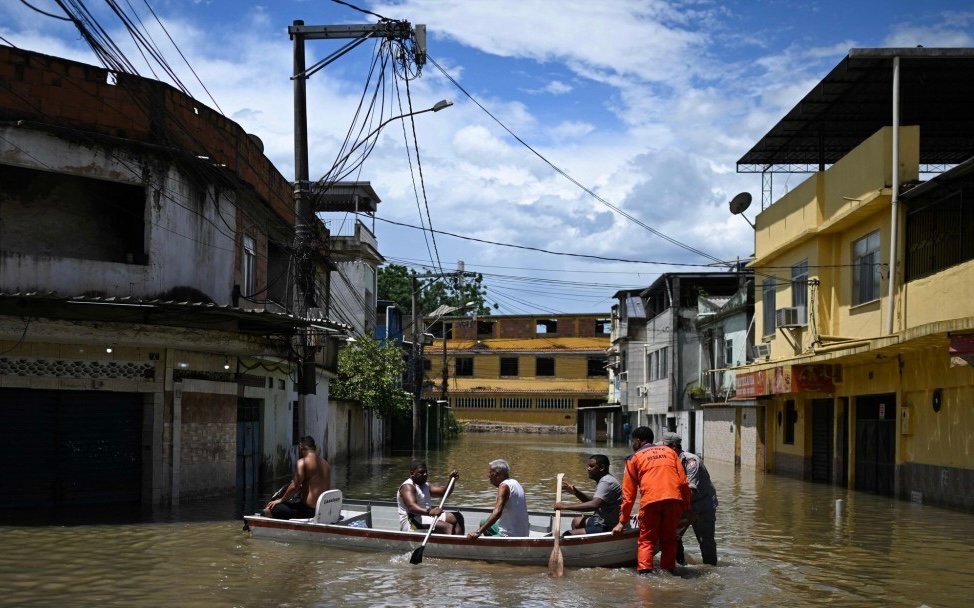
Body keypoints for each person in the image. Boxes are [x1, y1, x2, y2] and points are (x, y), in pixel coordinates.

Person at [612, 426, 691, 575]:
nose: (632, 444)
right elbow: (683, 483)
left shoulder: (633, 459)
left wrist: (622, 522)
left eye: (632, 441)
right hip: (674, 500)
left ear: (638, 440)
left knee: (647, 540)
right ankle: (668, 571)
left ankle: (645, 574)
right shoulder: (670, 452)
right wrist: (686, 508)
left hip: (651, 503)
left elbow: (628, 495)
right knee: (669, 540)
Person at [660, 432, 718, 565]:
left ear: (674, 447)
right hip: (683, 505)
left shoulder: (691, 461)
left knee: (705, 541)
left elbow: (691, 490)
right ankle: (681, 565)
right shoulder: (670, 461)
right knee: (674, 537)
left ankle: (710, 570)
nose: (662, 451)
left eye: (665, 447)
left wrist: (687, 511)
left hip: (702, 505)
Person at [263, 436, 331, 519]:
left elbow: (294, 486)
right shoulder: (325, 464)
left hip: (309, 511)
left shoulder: (302, 462)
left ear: (300, 447)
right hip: (323, 509)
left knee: (271, 507)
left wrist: (281, 500)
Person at [554, 454, 622, 535]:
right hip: (599, 520)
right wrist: (576, 492)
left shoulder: (606, 482)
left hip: (608, 526)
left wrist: (565, 506)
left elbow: (594, 505)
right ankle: (581, 544)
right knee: (576, 521)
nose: (588, 469)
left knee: (567, 534)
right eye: (588, 466)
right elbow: (594, 502)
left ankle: (580, 542)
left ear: (602, 468)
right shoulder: (603, 479)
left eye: (591, 466)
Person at [397, 460, 464, 535]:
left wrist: (452, 480)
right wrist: (430, 512)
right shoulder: (407, 487)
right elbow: (412, 507)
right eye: (421, 472)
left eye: (426, 472)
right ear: (412, 473)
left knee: (457, 517)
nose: (425, 474)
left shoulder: (425, 485)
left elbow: (444, 493)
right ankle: (450, 545)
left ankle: (461, 543)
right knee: (447, 527)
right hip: (411, 523)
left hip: (426, 516)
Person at [468, 459, 530, 538]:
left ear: (497, 474)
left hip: (510, 535)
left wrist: (478, 532)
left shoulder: (503, 486)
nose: (488, 475)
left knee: (482, 530)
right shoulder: (515, 482)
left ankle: (496, 543)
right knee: (483, 522)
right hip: (523, 532)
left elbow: (497, 513)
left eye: (490, 472)